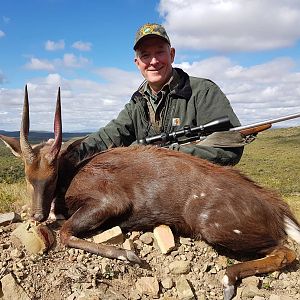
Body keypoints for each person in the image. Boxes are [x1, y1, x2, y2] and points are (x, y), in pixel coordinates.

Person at [63, 23, 244, 167]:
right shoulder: (137, 102)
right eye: (145, 55)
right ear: (137, 62)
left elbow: (228, 148)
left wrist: (171, 154)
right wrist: (66, 150)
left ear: (171, 54)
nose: (154, 61)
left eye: (160, 52)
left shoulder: (203, 91)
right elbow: (109, 136)